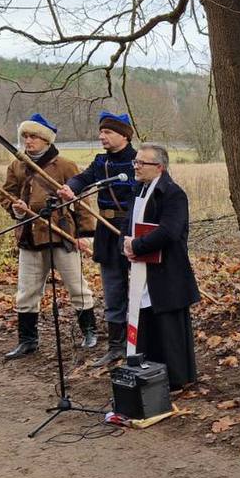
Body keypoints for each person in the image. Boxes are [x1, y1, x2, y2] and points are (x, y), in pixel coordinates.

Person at [0, 113, 97, 359]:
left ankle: (89, 332)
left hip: (62, 234)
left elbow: (83, 199)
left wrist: (86, 234)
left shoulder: (64, 166)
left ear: (45, 139)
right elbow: (6, 195)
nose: (28, 141)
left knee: (77, 287)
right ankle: (28, 340)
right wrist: (16, 207)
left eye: (33, 136)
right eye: (25, 136)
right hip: (30, 236)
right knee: (27, 290)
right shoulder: (16, 165)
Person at [59, 111, 137, 368]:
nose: (102, 136)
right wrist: (72, 187)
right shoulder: (100, 162)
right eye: (101, 132)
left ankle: (139, 344)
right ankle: (116, 347)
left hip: (133, 229)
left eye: (108, 132)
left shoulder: (138, 160)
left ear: (124, 135)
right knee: (113, 289)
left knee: (138, 291)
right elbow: (83, 178)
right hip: (106, 229)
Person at [123, 144, 200, 391]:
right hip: (142, 270)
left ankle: (176, 377)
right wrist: (125, 245)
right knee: (147, 323)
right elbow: (128, 226)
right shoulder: (139, 190)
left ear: (159, 167)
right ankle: (150, 373)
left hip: (168, 272)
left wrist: (138, 245)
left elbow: (169, 231)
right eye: (135, 162)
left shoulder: (173, 194)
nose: (136, 167)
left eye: (141, 163)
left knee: (169, 327)